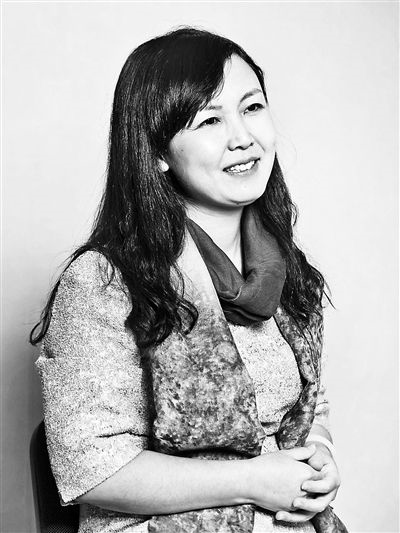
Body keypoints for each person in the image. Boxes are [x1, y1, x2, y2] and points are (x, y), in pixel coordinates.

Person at [31, 27, 347, 533]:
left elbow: (310, 405)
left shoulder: (284, 268)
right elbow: (90, 469)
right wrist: (250, 481)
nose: (242, 137)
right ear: (158, 152)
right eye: (210, 120)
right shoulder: (104, 282)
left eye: (252, 108)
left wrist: (320, 454)